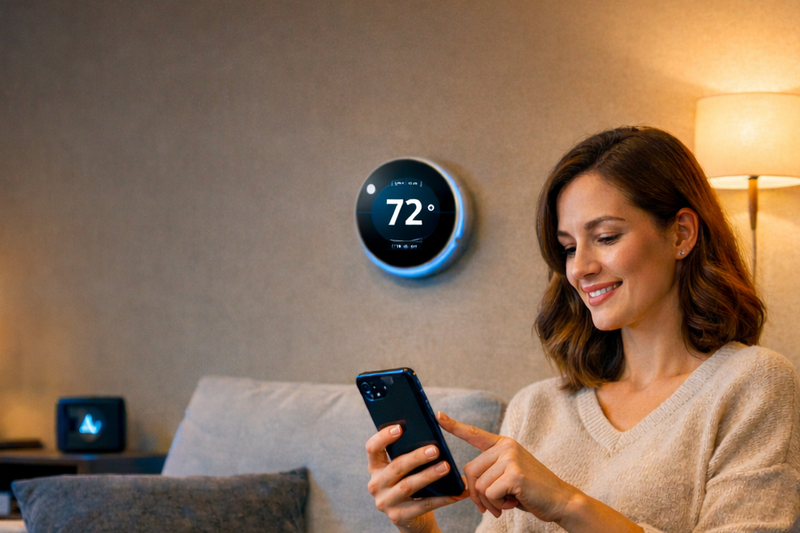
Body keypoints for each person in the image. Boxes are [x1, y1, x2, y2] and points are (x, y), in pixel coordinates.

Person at [365, 126, 800, 532]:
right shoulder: (535, 407)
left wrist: (566, 502)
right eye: (569, 247)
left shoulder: (752, 383)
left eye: (606, 237)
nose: (580, 268)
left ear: (681, 234)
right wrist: (419, 527)